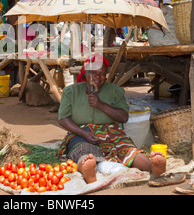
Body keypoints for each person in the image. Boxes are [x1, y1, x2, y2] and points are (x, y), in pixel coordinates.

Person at [57, 54, 178, 185]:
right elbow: (63, 118)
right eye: (93, 73)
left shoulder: (115, 91)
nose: (97, 77)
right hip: (80, 131)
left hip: (110, 131)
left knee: (126, 149)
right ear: (86, 73)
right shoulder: (71, 91)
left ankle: (153, 166)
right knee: (83, 150)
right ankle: (89, 170)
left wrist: (100, 105)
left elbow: (124, 117)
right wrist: (84, 134)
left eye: (102, 74)